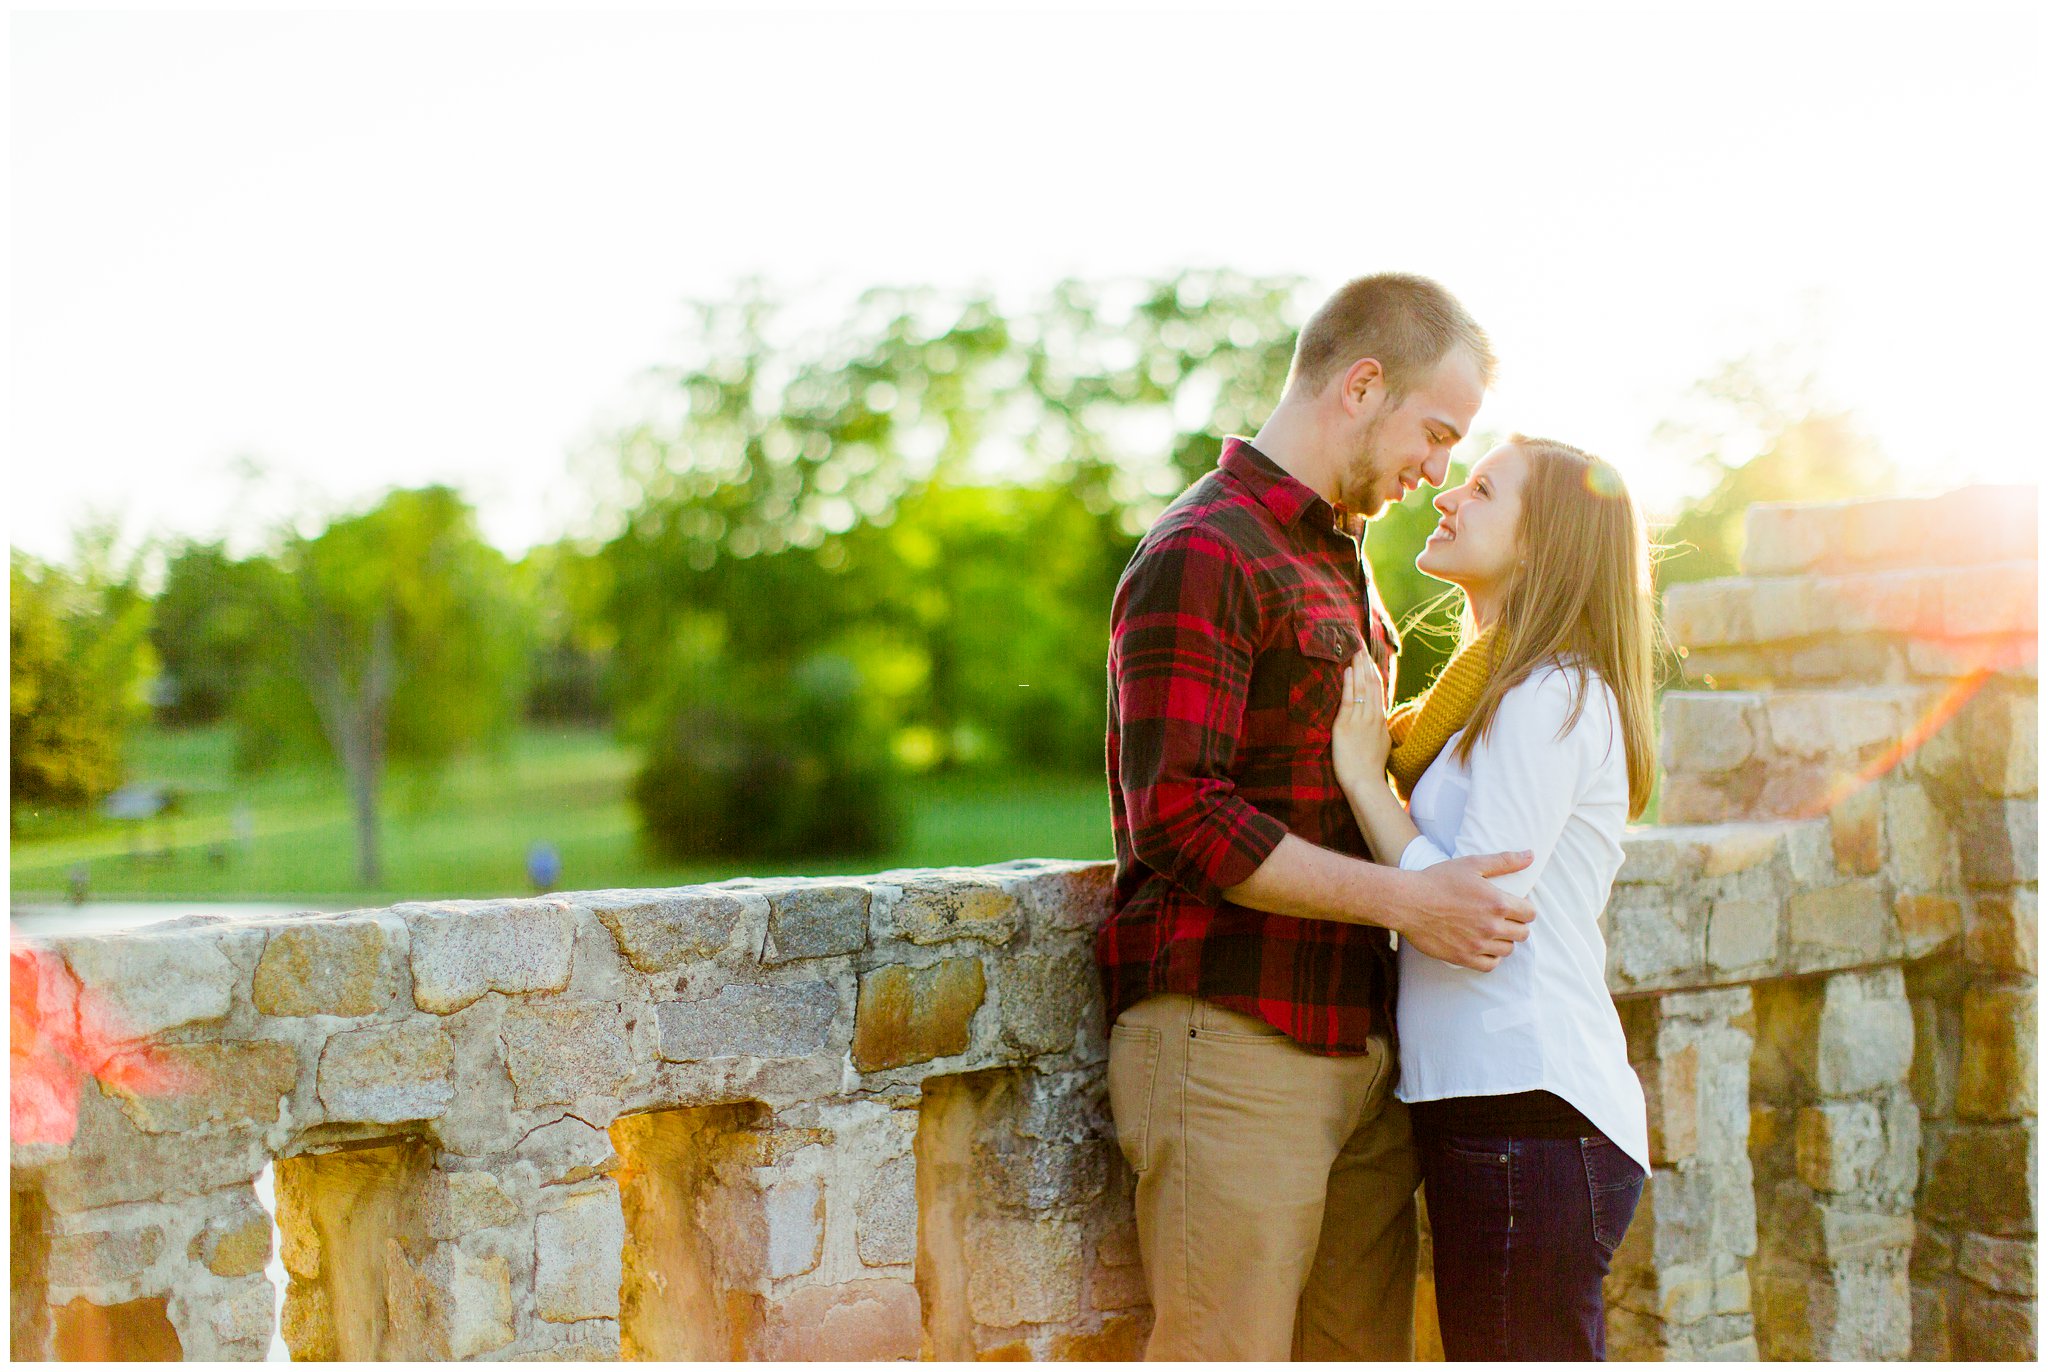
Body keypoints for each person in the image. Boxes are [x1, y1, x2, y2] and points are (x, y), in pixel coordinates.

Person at [1100, 273, 1539, 1361]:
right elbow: (1180, 817)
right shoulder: (1205, 548)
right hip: (1232, 1042)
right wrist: (1408, 900)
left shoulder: (1335, 554)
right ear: (1359, 385)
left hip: (1358, 1047)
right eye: (1434, 433)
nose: (1437, 471)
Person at [1330, 435, 1656, 1360]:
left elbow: (1477, 917)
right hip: (1498, 1107)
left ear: (1544, 540)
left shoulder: (1546, 694)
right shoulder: (1492, 695)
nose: (1446, 499)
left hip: (1530, 1109)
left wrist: (1365, 784)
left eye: (1481, 489)